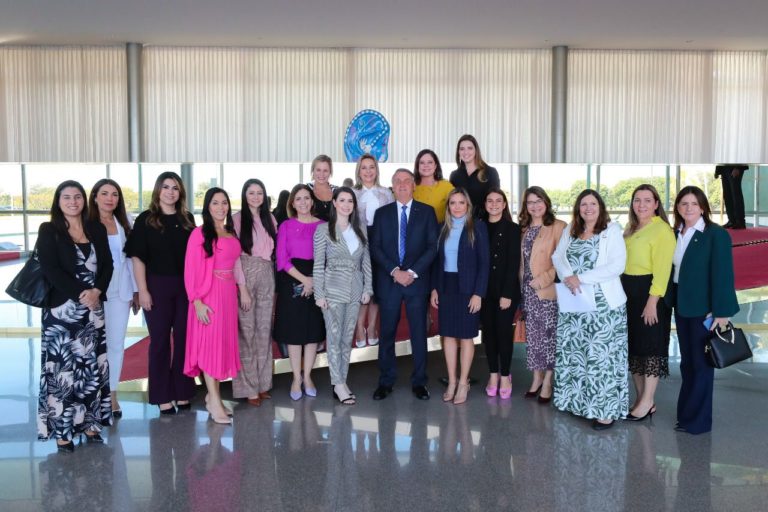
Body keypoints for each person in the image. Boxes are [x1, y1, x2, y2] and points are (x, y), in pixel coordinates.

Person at [37, 180, 113, 451]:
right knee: (63, 372)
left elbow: (108, 265)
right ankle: (63, 432)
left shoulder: (96, 228)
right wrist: (84, 293)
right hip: (62, 314)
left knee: (91, 367)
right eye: (67, 197)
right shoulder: (49, 230)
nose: (73, 201)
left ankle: (91, 425)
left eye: (77, 196)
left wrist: (97, 291)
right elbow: (51, 269)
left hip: (93, 312)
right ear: (58, 201)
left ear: (84, 200)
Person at [552, 189, 628, 430]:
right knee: (576, 355)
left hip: (604, 307)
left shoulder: (611, 231)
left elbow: (617, 265)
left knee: (600, 358)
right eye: (583, 204)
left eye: (592, 204)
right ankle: (578, 403)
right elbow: (557, 258)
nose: (588, 208)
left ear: (600, 206)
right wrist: (569, 278)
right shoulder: (570, 230)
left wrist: (581, 278)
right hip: (575, 304)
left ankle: (605, 411)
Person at [125, 171, 196, 415]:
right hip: (156, 287)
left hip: (185, 288)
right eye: (166, 187)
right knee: (160, 342)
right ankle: (162, 396)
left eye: (175, 188)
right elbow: (138, 258)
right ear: (158, 191)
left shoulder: (187, 220)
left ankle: (183, 391)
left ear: (180, 193)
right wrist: (142, 290)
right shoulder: (146, 220)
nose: (170, 192)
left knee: (186, 340)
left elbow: (196, 259)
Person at [669, 186, 739, 434]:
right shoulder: (676, 232)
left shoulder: (715, 235)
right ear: (677, 207)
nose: (688, 208)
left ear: (703, 207)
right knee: (688, 364)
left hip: (704, 310)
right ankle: (686, 416)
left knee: (701, 365)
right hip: (682, 306)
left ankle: (698, 422)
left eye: (694, 203)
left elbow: (723, 275)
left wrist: (721, 312)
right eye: (683, 203)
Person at [370, 169, 438, 401]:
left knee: (419, 333)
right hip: (389, 282)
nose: (402, 185)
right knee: (387, 333)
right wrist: (394, 271)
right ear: (392, 185)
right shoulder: (381, 214)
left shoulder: (427, 213)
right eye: (397, 181)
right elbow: (376, 247)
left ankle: (420, 382)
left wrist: (411, 272)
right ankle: (385, 381)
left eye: (406, 181)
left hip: (416, 283)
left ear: (413, 185)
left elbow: (432, 247)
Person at [184, 187, 250, 424]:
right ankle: (214, 399)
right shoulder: (200, 234)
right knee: (210, 348)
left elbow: (238, 265)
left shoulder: (231, 233)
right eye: (215, 203)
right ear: (207, 207)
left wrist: (242, 290)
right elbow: (191, 269)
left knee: (221, 346)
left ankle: (214, 399)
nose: (221, 207)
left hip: (228, 295)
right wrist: (197, 301)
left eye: (224, 203)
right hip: (208, 295)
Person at [313, 187, 373, 405]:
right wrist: (319, 294)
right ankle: (337, 383)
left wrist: (368, 289)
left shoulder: (360, 230)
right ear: (335, 203)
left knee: (347, 337)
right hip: (332, 290)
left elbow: (366, 262)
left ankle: (342, 381)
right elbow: (319, 264)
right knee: (334, 337)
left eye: (350, 201)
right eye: (342, 200)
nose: (347, 204)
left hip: (355, 290)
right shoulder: (323, 230)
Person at [621, 184, 675, 422]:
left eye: (647, 200)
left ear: (656, 204)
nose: (641, 204)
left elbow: (663, 270)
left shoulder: (662, 230)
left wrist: (652, 301)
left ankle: (648, 400)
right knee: (635, 349)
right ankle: (641, 399)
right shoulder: (631, 228)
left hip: (649, 293)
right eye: (636, 200)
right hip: (628, 293)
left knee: (650, 349)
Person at [430, 188, 489, 404]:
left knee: (465, 336)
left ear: (468, 206)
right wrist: (434, 288)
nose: (456, 207)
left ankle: (464, 382)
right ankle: (452, 381)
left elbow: (484, 265)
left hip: (468, 289)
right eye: (453, 203)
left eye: (461, 203)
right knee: (448, 336)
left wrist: (478, 293)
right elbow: (437, 262)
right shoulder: (441, 229)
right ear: (448, 206)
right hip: (446, 287)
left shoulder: (477, 228)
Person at [88, 178, 139, 418]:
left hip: (121, 292)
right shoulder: (86, 222)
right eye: (105, 193)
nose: (110, 198)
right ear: (95, 196)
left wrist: (137, 290)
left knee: (116, 344)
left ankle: (112, 394)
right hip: (93, 293)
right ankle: (92, 395)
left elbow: (133, 259)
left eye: (115, 194)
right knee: (92, 346)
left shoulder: (126, 222)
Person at [273, 184, 326, 400]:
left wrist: (314, 280)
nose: (303, 202)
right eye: (298, 199)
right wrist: (305, 280)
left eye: (306, 198)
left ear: (312, 201)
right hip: (292, 280)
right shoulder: (285, 226)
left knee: (312, 331)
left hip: (318, 277)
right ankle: (296, 378)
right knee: (294, 333)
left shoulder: (323, 226)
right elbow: (282, 259)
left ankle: (308, 376)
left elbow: (327, 256)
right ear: (292, 203)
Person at [232, 179, 278, 407]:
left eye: (260, 193)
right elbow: (233, 257)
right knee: (246, 333)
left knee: (263, 331)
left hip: (267, 273)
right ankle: (248, 388)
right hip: (246, 273)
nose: (256, 197)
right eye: (251, 193)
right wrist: (243, 289)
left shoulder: (270, 219)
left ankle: (262, 384)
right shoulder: (237, 220)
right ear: (244, 194)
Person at [518, 186, 566, 403]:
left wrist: (543, 280)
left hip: (547, 290)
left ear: (546, 202)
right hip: (527, 292)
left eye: (538, 201)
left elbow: (564, 262)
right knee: (534, 338)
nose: (535, 206)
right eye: (530, 202)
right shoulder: (524, 229)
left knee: (548, 337)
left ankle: (548, 381)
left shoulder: (558, 227)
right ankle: (536, 379)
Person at [480, 188, 521, 399]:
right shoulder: (478, 227)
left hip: (506, 291)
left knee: (504, 333)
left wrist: (507, 294)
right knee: (490, 335)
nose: (494, 204)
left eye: (498, 201)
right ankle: (493, 374)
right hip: (484, 291)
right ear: (485, 204)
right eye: (490, 200)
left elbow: (514, 262)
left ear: (504, 204)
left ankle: (505, 374)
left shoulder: (513, 229)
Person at [352, 153, 394, 348]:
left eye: (371, 167)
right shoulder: (353, 193)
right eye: (364, 167)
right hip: (359, 243)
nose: (368, 171)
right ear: (359, 171)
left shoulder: (386, 193)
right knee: (362, 286)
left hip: (381, 243)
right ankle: (359, 326)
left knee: (377, 287)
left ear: (376, 170)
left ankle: (371, 326)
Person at [449, 134, 500, 219]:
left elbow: (496, 200)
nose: (466, 152)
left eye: (470, 148)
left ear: (476, 151)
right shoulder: (454, 176)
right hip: (462, 223)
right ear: (458, 152)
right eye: (462, 149)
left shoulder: (490, 172)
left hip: (485, 223)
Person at [413, 149, 454, 224]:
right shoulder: (411, 186)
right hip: (414, 232)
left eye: (430, 162)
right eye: (422, 163)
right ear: (417, 166)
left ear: (435, 166)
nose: (426, 165)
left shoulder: (446, 186)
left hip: (439, 231)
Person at [715, 164, 750, 229]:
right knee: (727, 195)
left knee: (736, 195)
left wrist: (737, 167)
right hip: (724, 167)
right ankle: (732, 221)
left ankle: (740, 222)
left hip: (734, 167)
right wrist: (717, 170)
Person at [307, 154, 336, 222]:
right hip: (310, 232)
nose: (321, 174)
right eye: (318, 170)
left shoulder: (337, 191)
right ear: (313, 171)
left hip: (334, 231)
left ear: (330, 172)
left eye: (325, 170)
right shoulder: (305, 190)